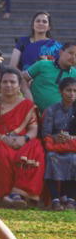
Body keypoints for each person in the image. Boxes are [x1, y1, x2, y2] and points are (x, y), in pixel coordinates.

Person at [0, 67, 45, 208]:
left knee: (36, 148)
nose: (8, 85)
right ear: (0, 84)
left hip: (22, 141)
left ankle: (19, 193)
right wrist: (2, 137)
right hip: (0, 141)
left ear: (19, 85)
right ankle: (7, 194)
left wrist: (25, 138)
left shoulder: (26, 104)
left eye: (12, 82)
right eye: (5, 82)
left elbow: (34, 128)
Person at [40, 76, 76, 209]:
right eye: (68, 90)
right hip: (55, 147)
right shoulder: (52, 110)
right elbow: (45, 133)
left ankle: (71, 199)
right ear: (60, 91)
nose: (72, 94)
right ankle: (55, 199)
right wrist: (55, 137)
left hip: (73, 147)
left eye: (75, 91)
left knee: (74, 159)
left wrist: (70, 138)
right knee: (51, 157)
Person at [21, 40, 76, 113]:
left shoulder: (74, 74)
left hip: (57, 116)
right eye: (70, 53)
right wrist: (27, 94)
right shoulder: (42, 65)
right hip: (33, 112)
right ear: (61, 52)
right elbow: (23, 78)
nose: (73, 57)